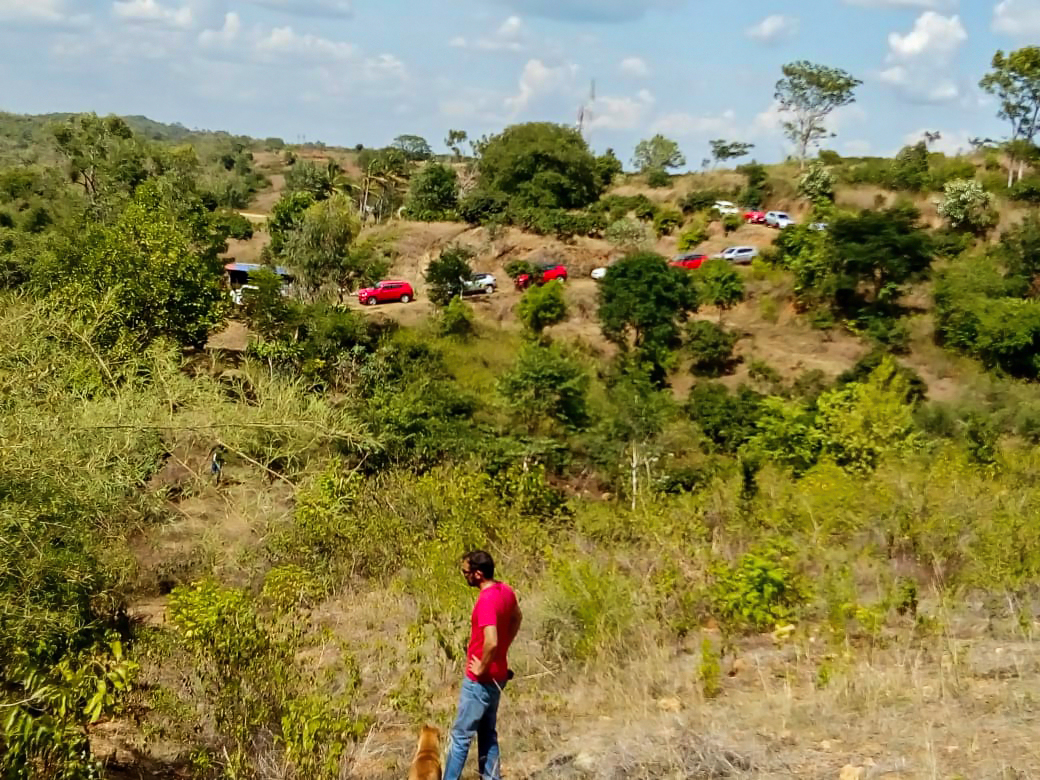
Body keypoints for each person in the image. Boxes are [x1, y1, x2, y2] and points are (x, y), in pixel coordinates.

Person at [442, 550, 522, 780]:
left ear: (477, 574)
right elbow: (517, 617)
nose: (463, 575)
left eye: (465, 571)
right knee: (487, 734)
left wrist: (482, 666)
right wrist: (503, 651)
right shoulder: (505, 591)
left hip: (481, 681)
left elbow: (492, 640)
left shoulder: (486, 601)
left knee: (460, 738)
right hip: (499, 677)